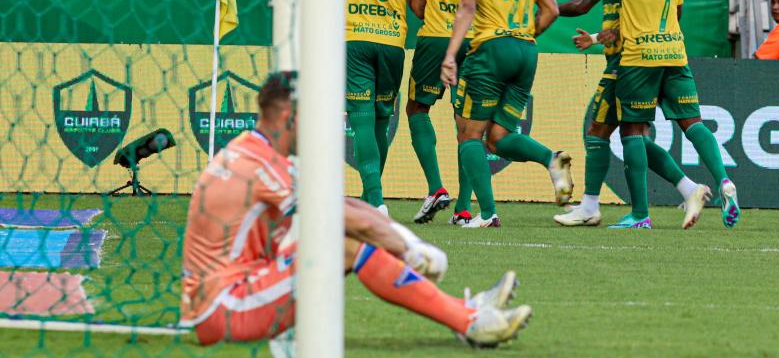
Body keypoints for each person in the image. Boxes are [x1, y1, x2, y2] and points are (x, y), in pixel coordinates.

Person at [180, 71, 532, 347]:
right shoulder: (262, 165)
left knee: (339, 239)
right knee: (342, 245)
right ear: (289, 114)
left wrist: (407, 242)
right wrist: (412, 251)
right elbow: (342, 218)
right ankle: (468, 321)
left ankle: (463, 313)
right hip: (222, 309)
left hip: (235, 287)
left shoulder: (253, 151)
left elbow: (341, 205)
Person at [555, 0, 740, 229]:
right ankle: (724, 180)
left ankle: (640, 214)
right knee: (693, 123)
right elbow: (677, 13)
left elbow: (582, 5)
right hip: (674, 52)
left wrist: (545, 6)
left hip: (639, 58)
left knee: (631, 133)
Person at [440, 0, 573, 228]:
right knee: (498, 137)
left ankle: (486, 213)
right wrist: (524, 37)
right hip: (526, 51)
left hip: (490, 51)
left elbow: (467, 8)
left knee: (469, 134)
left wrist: (450, 55)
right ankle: (551, 158)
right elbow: (552, 10)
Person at [349, 0, 480, 226]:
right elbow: (420, 1)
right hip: (466, 38)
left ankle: (381, 199)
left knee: (384, 116)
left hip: (369, 38)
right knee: (466, 124)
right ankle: (466, 209)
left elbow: (421, 8)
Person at [345, 0, 426, 213]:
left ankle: (376, 201)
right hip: (393, 43)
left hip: (355, 38)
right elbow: (419, 4)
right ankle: (371, 199)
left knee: (361, 121)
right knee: (381, 119)